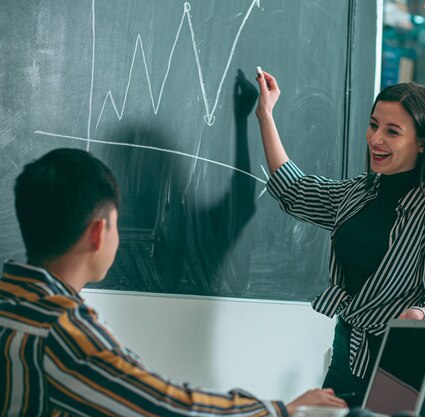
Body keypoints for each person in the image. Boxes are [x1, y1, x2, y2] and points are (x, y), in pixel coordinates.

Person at [0, 148, 346, 416]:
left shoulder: (12, 302)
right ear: (98, 233)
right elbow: (164, 407)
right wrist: (286, 410)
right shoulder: (59, 330)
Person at [254, 71, 425, 417]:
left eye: (392, 131)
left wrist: (420, 314)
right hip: (347, 353)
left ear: (422, 142)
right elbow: (293, 191)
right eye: (373, 125)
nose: (376, 139)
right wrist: (265, 115)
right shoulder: (357, 194)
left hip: (402, 365)